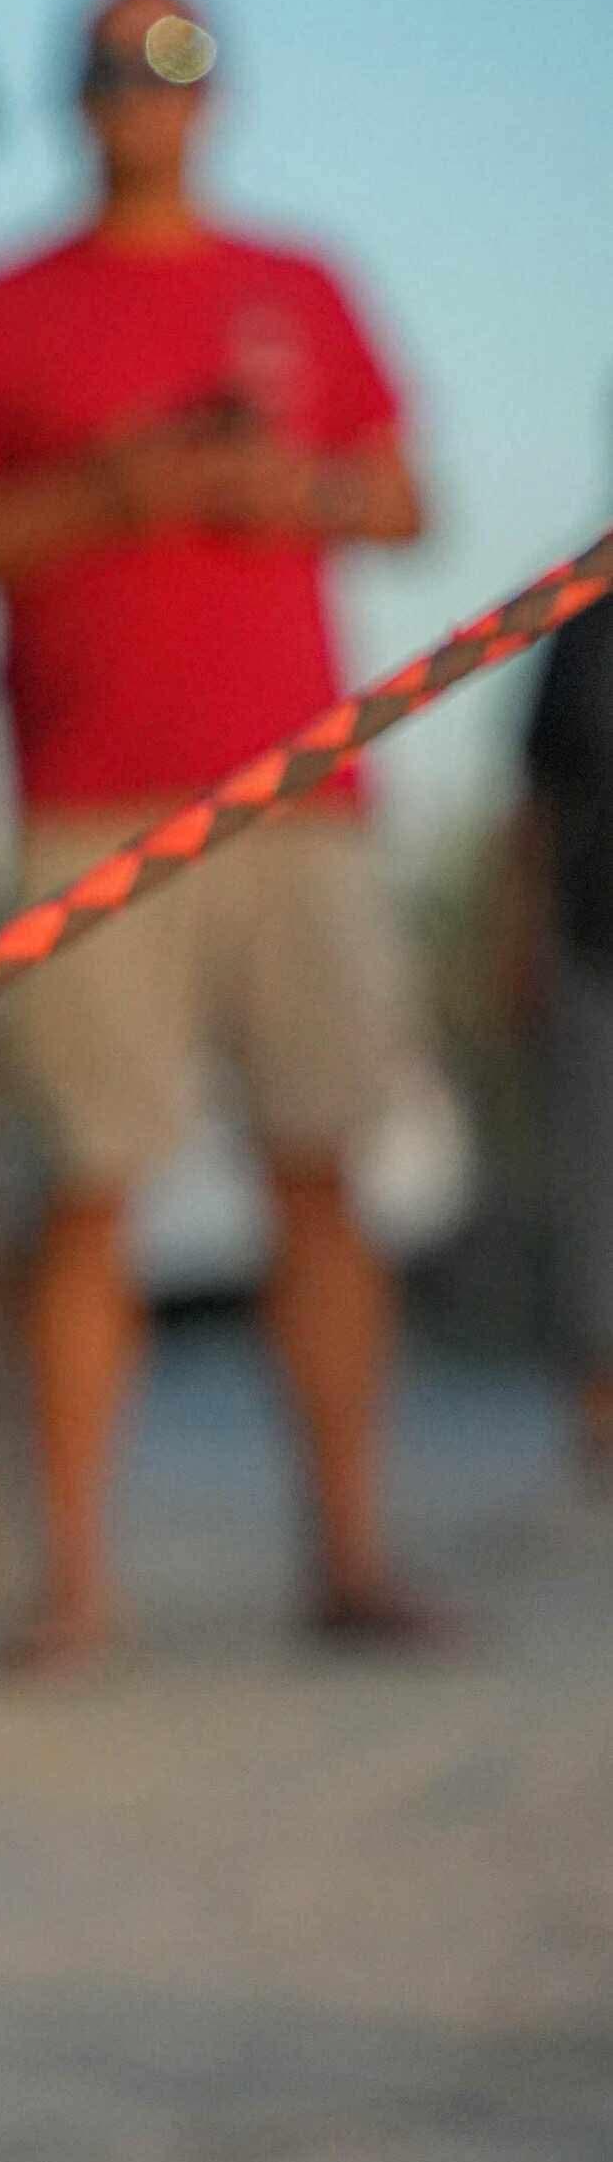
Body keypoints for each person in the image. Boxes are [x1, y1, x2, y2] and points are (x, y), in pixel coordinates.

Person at [0, 0, 449, 1668]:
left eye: (177, 62)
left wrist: (303, 491)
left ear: (216, 93)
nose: (147, 92)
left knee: (321, 1174)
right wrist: (106, 498)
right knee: (87, 1194)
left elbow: (405, 498)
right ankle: (73, 1594)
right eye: (118, 65)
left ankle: (348, 1560)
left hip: (301, 796)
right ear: (78, 97)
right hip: (84, 810)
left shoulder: (299, 282)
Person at [505, 559, 613, 1483]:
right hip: (596, 936)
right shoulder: (585, 623)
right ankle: (602, 1414)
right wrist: (519, 938)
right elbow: (536, 792)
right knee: (594, 1183)